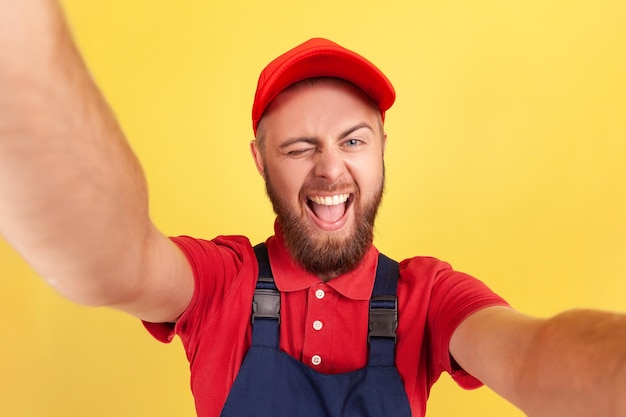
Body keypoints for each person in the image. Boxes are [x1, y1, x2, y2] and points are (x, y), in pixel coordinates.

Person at [1, 1, 625, 417]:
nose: (330, 169)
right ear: (259, 159)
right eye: (300, 147)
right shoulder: (225, 283)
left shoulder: (427, 296)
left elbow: (536, 354)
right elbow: (113, 262)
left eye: (353, 141)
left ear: (382, 150)